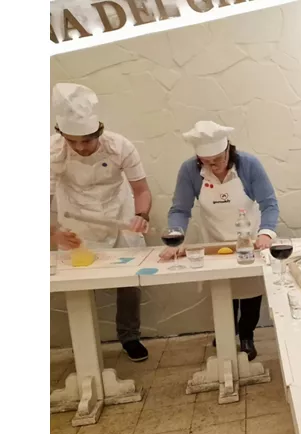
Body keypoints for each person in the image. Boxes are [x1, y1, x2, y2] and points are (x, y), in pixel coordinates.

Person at [161, 121, 279, 361]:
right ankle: (226, 332)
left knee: (250, 295)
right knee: (223, 292)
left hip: (249, 240)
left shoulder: (249, 165)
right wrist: (175, 235)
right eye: (206, 162)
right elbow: (180, 209)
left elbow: (269, 203)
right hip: (214, 244)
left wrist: (266, 233)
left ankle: (246, 335)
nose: (212, 166)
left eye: (217, 160)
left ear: (228, 150)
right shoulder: (189, 170)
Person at [50, 83, 151, 362]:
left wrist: (142, 216)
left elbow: (141, 190)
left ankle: (129, 336)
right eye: (73, 142)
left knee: (129, 282)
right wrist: (53, 233)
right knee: (76, 286)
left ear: (99, 132)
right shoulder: (50, 152)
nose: (81, 147)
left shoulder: (120, 146)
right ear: (63, 136)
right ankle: (86, 349)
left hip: (120, 216)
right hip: (76, 223)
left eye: (87, 141)